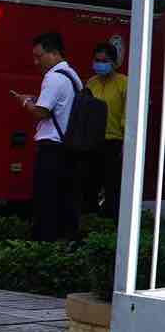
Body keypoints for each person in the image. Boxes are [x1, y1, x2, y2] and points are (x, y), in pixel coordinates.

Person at [18, 32, 83, 241]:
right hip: (68, 146)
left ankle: (44, 242)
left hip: (52, 147)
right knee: (64, 198)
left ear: (54, 53)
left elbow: (42, 112)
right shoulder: (73, 76)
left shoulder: (53, 77)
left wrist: (24, 102)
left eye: (39, 56)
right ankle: (65, 240)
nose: (35, 62)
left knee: (45, 199)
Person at [83, 42, 127, 219]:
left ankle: (110, 223)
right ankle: (90, 222)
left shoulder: (124, 83)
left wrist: (126, 144)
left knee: (112, 186)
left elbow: (127, 114)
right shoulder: (91, 83)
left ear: (114, 63)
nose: (100, 64)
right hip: (92, 141)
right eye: (97, 60)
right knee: (89, 185)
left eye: (104, 61)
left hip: (113, 141)